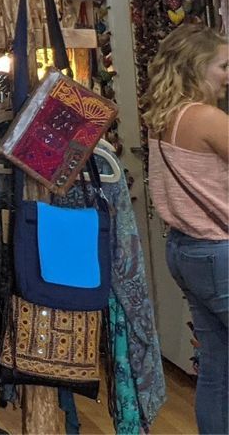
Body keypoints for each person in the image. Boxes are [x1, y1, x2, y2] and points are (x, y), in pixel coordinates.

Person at [143, 23, 229, 434]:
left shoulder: (161, 116)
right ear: (198, 67)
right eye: (223, 66)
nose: (227, 75)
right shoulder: (207, 118)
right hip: (219, 252)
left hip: (185, 250)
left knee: (217, 368)